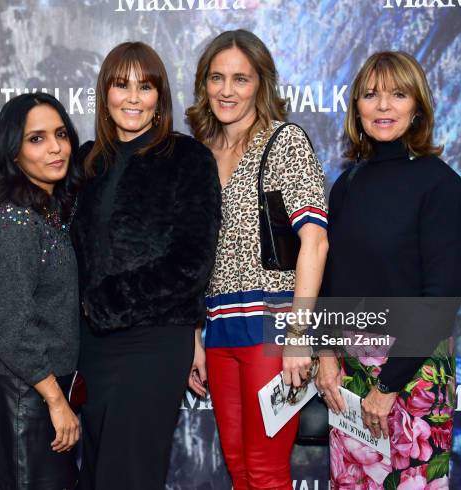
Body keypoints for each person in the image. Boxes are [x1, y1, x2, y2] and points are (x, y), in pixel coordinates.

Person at [315, 51, 461, 488]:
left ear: (416, 105)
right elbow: (332, 282)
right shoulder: (348, 185)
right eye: (371, 95)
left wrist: (388, 386)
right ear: (357, 107)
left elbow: (441, 298)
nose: (383, 106)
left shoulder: (440, 184)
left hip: (413, 374)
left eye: (397, 94)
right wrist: (326, 355)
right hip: (349, 377)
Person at [72, 41, 221, 490]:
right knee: (96, 474)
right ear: (105, 93)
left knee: (129, 474)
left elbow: (192, 264)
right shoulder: (86, 161)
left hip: (154, 342)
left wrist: (110, 301)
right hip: (91, 347)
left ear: (160, 99)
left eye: (145, 86)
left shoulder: (188, 158)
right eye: (121, 85)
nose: (133, 97)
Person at [186, 30, 329, 490]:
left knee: (266, 472)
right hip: (220, 329)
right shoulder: (201, 155)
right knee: (239, 467)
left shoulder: (284, 142)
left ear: (261, 85)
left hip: (272, 331)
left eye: (240, 79)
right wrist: (195, 336)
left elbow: (316, 242)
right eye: (216, 78)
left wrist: (298, 336)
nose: (226, 90)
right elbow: (192, 257)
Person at [0, 92, 83, 490]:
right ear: (13, 153)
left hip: (40, 390)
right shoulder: (13, 225)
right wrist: (55, 400)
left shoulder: (48, 215)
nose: (55, 148)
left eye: (60, 134)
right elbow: (10, 327)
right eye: (36, 138)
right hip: (24, 396)